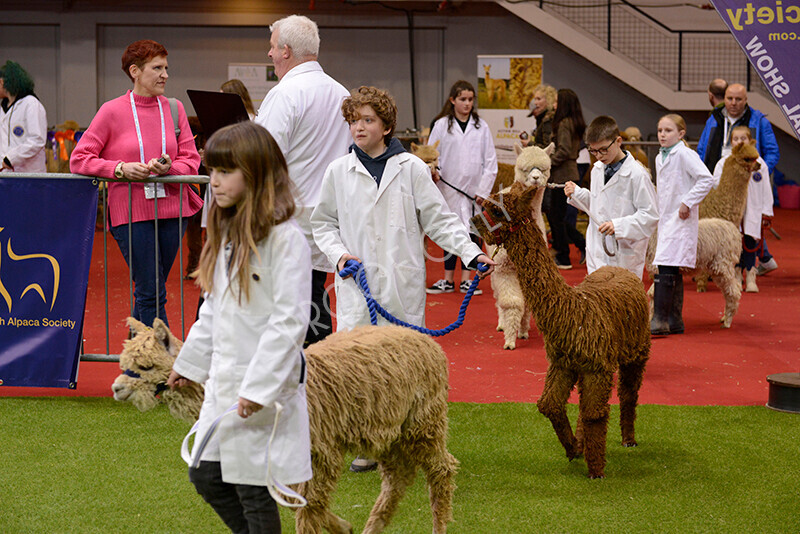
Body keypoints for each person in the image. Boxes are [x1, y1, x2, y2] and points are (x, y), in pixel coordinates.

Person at [311, 86, 495, 472]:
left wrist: (471, 252)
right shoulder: (337, 171)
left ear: (386, 125)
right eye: (353, 120)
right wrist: (340, 254)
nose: (358, 127)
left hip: (401, 281)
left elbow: (440, 220)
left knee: (402, 366)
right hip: (357, 284)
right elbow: (323, 224)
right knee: (358, 366)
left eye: (367, 120)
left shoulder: (411, 168)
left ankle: (406, 438)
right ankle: (367, 442)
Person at [167, 121, 311, 534]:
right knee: (206, 474)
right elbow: (214, 307)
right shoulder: (230, 232)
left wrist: (258, 388)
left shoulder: (286, 239)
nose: (214, 181)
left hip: (258, 388)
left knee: (252, 487)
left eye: (226, 171)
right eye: (211, 170)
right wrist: (190, 362)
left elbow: (289, 321)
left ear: (257, 173)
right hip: (227, 382)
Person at [70, 39, 202, 328]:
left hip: (172, 210)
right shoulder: (111, 111)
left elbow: (191, 160)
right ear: (135, 71)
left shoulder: (176, 109)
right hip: (131, 212)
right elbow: (79, 158)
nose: (165, 74)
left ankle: (135, 365)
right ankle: (159, 363)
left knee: (148, 290)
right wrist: (120, 169)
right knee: (152, 292)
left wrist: (167, 168)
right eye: (157, 68)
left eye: (166, 67)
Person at [255, 14, 350, 347]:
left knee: (286, 307)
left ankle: (298, 382)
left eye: (271, 48)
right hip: (327, 215)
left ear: (286, 51)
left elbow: (263, 156)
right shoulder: (342, 93)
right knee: (316, 299)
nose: (269, 55)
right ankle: (322, 377)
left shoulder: (285, 94)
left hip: (288, 216)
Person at [696, 83, 780, 276]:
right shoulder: (714, 119)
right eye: (730, 99)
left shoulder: (758, 121)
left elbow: (772, 152)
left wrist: (756, 174)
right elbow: (703, 149)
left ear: (746, 100)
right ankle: (718, 264)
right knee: (719, 223)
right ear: (724, 99)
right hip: (720, 179)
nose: (733, 103)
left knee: (749, 222)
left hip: (746, 180)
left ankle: (750, 265)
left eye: (738, 99)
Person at [565, 115, 659, 279]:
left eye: (603, 149)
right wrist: (578, 194)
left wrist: (619, 226)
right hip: (597, 251)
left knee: (620, 302)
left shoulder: (637, 174)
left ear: (618, 141)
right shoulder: (597, 169)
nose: (599, 156)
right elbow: (598, 205)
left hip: (622, 254)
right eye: (593, 151)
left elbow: (650, 215)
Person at [425, 80, 497, 295]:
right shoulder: (441, 125)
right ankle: (447, 279)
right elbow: (430, 154)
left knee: (472, 232)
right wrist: (433, 172)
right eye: (463, 99)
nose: (467, 104)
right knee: (450, 231)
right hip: (447, 187)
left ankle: (467, 279)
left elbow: (490, 160)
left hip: (473, 192)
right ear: (452, 100)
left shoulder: (481, 126)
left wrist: (483, 192)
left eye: (470, 100)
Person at [651, 114, 714, 336]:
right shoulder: (661, 157)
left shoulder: (685, 154)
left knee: (667, 264)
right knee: (670, 265)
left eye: (668, 131)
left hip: (680, 219)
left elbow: (706, 179)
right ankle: (673, 320)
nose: (662, 135)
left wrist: (687, 202)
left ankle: (659, 320)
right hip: (667, 218)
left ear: (680, 133)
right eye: (660, 130)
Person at [712, 125, 773, 293]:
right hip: (732, 208)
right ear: (731, 142)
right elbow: (716, 183)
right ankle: (737, 273)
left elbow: (765, 188)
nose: (739, 142)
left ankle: (751, 274)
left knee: (751, 240)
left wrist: (766, 211)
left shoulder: (759, 163)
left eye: (743, 138)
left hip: (752, 208)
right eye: (736, 139)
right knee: (735, 240)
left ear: (750, 141)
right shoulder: (724, 162)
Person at [546, 88, 587, 269]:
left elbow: (563, 150)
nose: (554, 105)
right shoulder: (574, 123)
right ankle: (579, 245)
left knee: (557, 216)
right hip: (570, 172)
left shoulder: (564, 123)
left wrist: (546, 162)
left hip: (562, 174)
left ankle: (564, 255)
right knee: (559, 216)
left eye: (556, 101)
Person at [0, 61, 47, 173]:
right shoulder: (2, 108)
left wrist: (11, 158)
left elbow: (37, 139)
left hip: (29, 174)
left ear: (2, 82)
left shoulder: (31, 104)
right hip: (6, 175)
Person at [528, 83, 557, 148]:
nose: (535, 103)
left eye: (538, 99)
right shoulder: (542, 119)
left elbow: (548, 148)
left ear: (549, 100)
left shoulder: (548, 120)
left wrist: (529, 143)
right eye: (535, 99)